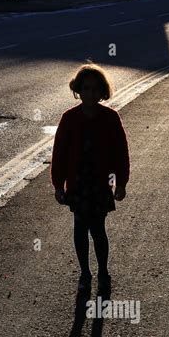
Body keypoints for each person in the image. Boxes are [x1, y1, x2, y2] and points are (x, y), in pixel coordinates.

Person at [51, 62, 130, 296]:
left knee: (98, 229)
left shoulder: (111, 118)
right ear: (78, 90)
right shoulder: (69, 118)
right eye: (85, 88)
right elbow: (60, 154)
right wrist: (58, 185)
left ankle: (103, 271)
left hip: (99, 184)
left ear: (103, 92)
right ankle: (85, 273)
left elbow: (120, 153)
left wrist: (121, 183)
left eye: (95, 89)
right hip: (78, 183)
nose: (90, 93)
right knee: (79, 228)